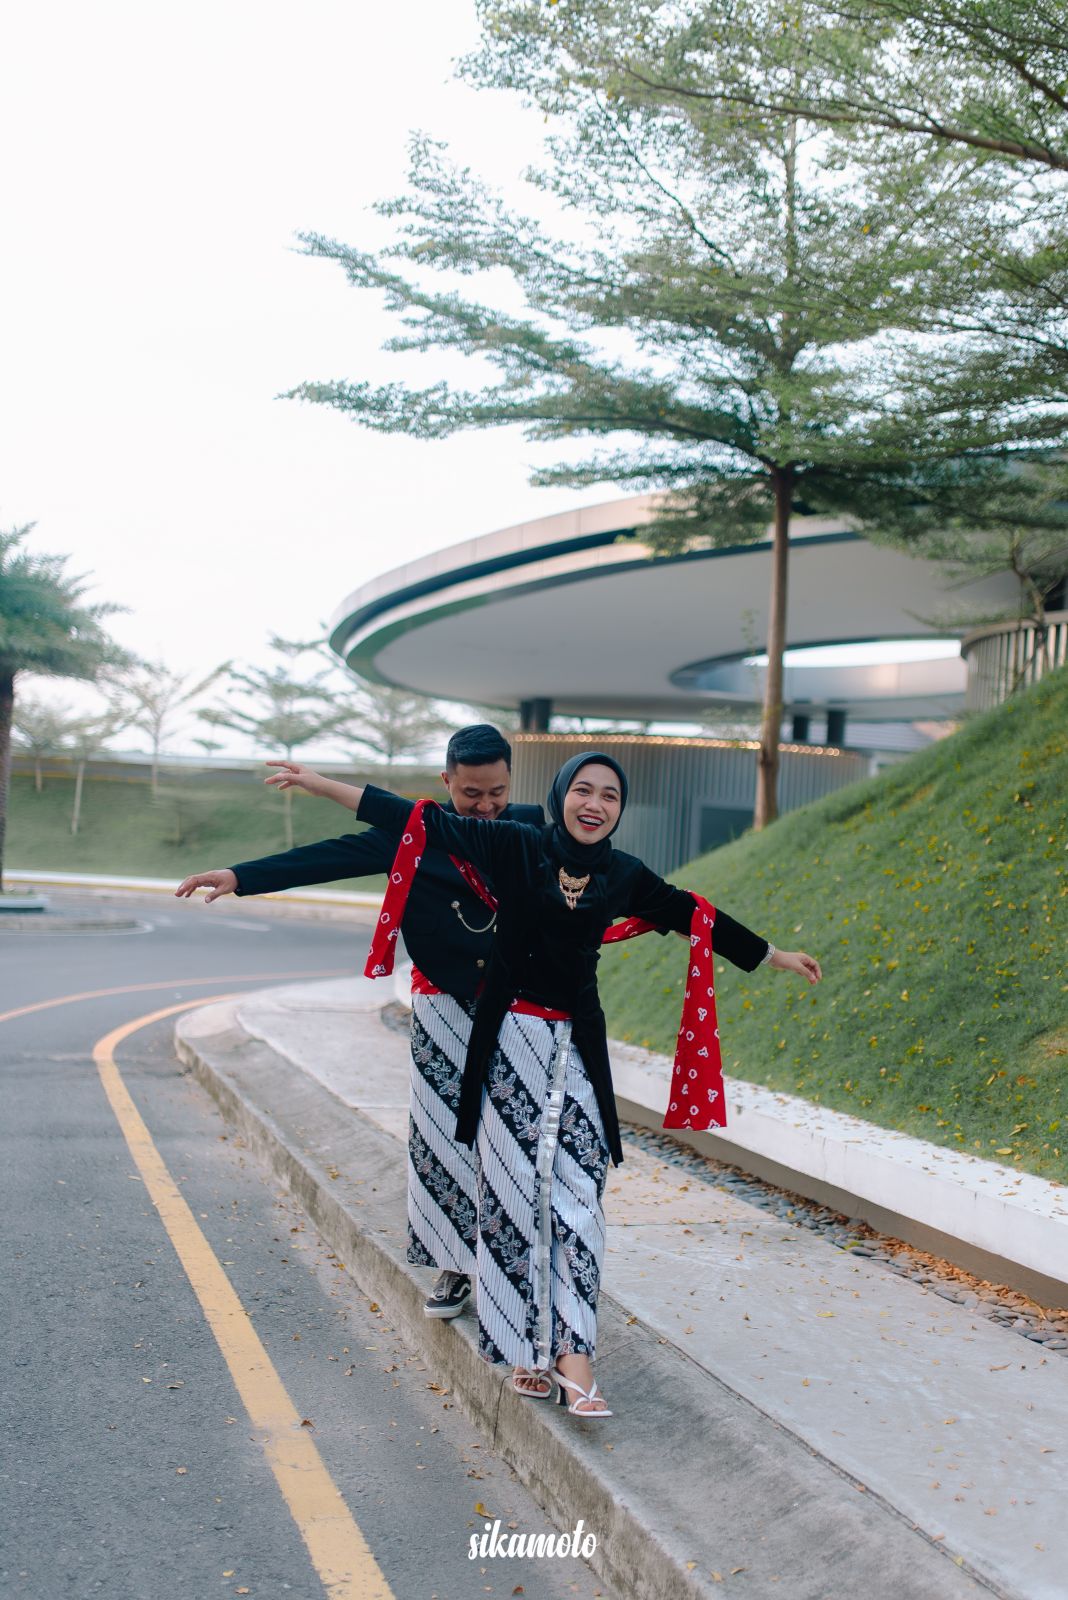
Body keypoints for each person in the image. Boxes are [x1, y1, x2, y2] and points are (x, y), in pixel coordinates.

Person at [262, 750, 822, 1419]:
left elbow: (691, 914)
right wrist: (319, 783)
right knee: (513, 1194)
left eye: (610, 795)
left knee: (580, 1196)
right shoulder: (514, 845)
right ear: (559, 797)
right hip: (507, 1044)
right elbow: (412, 819)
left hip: (577, 1049)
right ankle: (522, 1347)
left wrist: (772, 955)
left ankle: (575, 1359)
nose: (595, 804)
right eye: (583, 789)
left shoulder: (622, 873)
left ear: (619, 809)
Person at [174, 724, 545, 1323]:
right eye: (471, 793)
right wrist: (240, 877)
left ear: (511, 780)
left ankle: (517, 1267)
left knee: (514, 1134)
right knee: (442, 1134)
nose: (485, 806)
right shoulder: (415, 831)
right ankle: (453, 1264)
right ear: (446, 781)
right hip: (443, 1002)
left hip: (519, 1004)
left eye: (496, 792)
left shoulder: (531, 827)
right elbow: (329, 857)